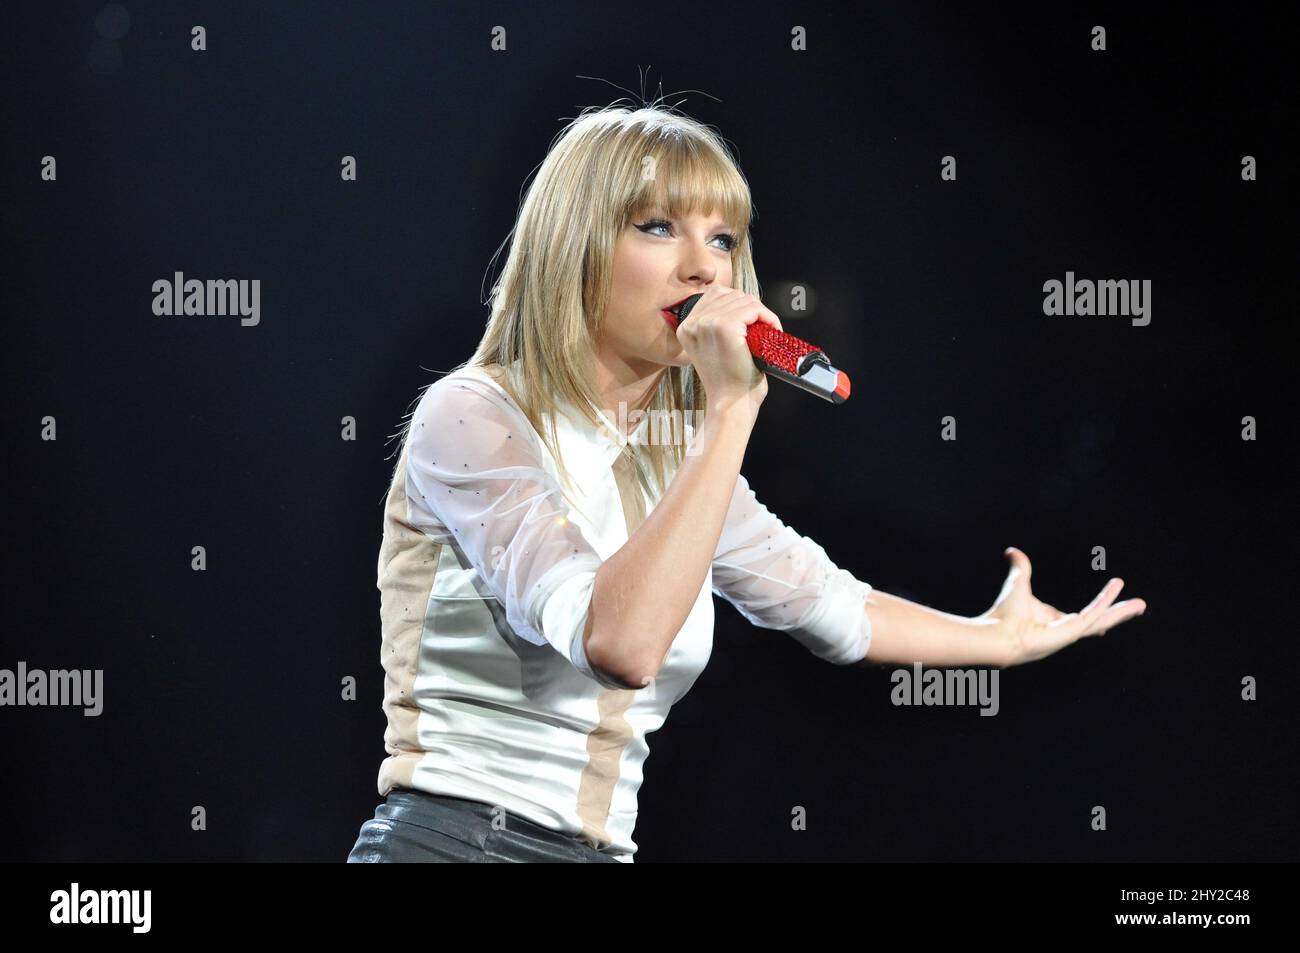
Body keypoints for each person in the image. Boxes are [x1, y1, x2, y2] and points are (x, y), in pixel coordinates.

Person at [347, 101, 1148, 864]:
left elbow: (834, 608)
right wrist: (730, 411)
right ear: (575, 246)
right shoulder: (472, 417)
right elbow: (619, 644)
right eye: (657, 227)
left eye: (724, 238)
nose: (702, 265)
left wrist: (1000, 639)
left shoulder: (678, 464)